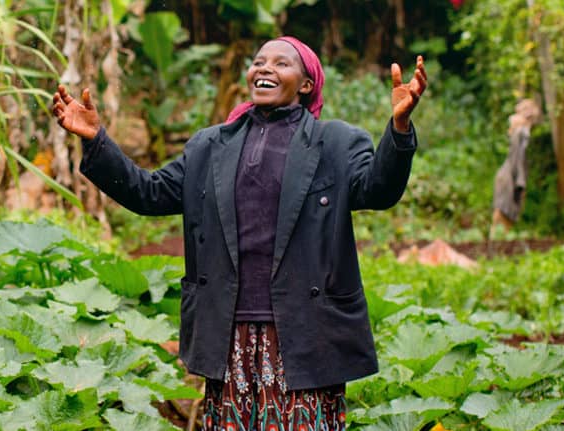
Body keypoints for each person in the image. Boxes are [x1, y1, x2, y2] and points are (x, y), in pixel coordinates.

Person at [51, 36, 427, 430]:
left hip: (304, 328)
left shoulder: (335, 143)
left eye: (281, 63)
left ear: (306, 84)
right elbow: (150, 194)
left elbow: (378, 190)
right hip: (227, 327)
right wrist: (98, 140)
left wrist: (399, 129)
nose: (264, 68)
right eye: (259, 61)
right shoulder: (209, 146)